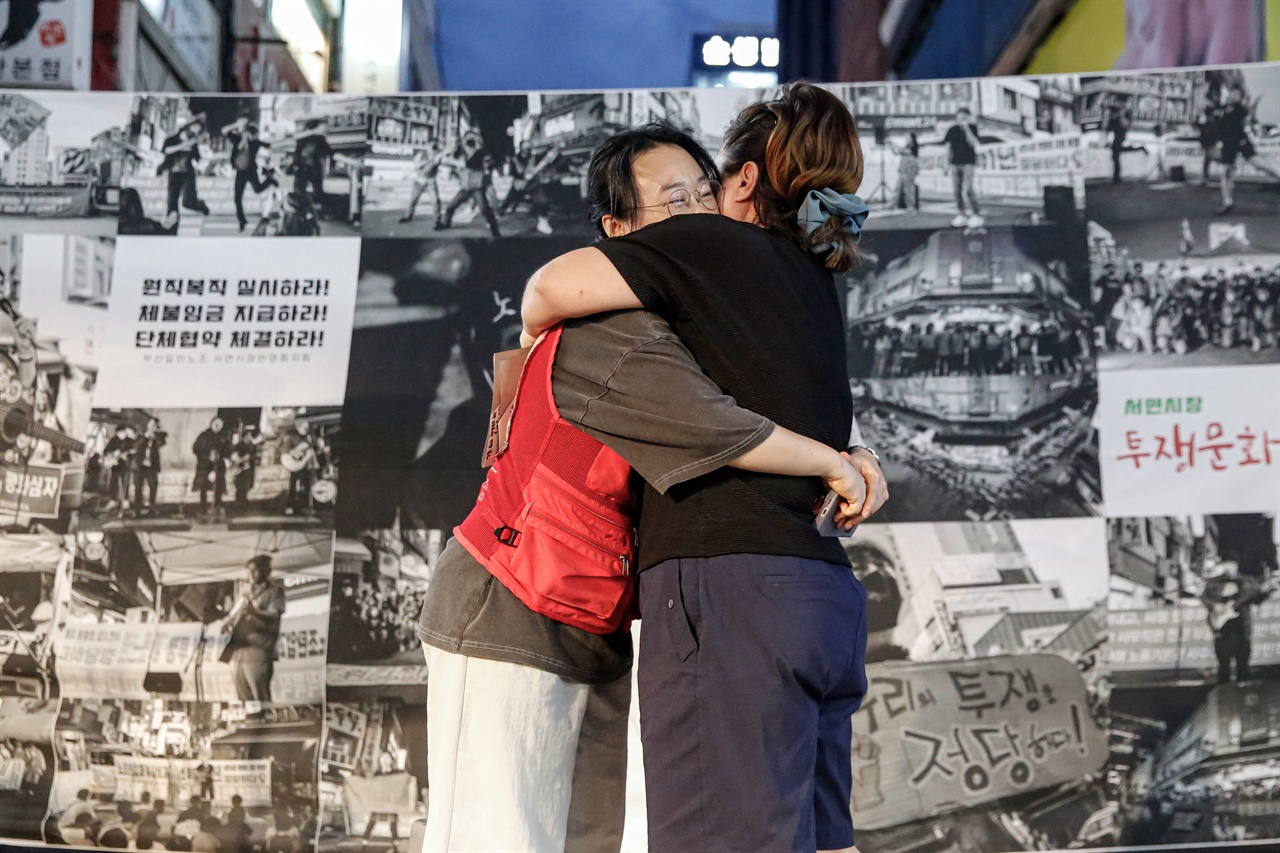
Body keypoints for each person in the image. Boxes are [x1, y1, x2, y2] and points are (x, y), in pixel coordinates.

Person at [418, 121, 885, 852]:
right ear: (619, 229)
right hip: (511, 602)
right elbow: (711, 424)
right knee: (495, 836)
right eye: (674, 201)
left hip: (599, 614)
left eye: (704, 192)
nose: (698, 213)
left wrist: (849, 449)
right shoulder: (611, 322)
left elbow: (766, 396)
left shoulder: (694, 316)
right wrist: (834, 461)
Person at [222, 554, 286, 704]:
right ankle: (249, 720)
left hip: (259, 647)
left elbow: (273, 616)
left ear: (266, 571)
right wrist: (229, 623)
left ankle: (265, 723)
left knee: (259, 691)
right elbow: (235, 614)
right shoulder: (247, 592)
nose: (251, 574)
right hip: (239, 647)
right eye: (249, 570)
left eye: (255, 570)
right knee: (241, 688)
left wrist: (253, 611)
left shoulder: (275, 591)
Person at [1201, 560, 1274, 684]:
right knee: (1223, 667)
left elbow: (1257, 599)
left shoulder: (1248, 581)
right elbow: (1204, 598)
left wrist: (1266, 591)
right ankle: (1223, 697)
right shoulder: (1214, 582)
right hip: (1222, 631)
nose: (1229, 568)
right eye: (1226, 564)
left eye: (1232, 564)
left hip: (1242, 628)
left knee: (1243, 666)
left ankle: (1241, 696)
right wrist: (1214, 606)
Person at [1213, 85, 1280, 215]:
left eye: (1238, 95)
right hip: (1227, 144)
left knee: (1259, 164)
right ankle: (1227, 203)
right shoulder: (1221, 108)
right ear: (1230, 94)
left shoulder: (1240, 109)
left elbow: (1249, 118)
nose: (1235, 96)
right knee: (1226, 172)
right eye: (1234, 93)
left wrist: (1256, 101)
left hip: (1241, 141)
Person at [437, 131, 501, 238]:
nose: (469, 142)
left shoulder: (479, 153)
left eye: (472, 139)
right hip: (466, 188)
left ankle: (495, 231)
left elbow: (467, 164)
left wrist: (449, 160)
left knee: (485, 209)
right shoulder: (462, 154)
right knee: (450, 207)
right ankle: (445, 223)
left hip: (477, 188)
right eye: (467, 139)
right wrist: (448, 152)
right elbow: (448, 158)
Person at [224, 119, 277, 232]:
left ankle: (269, 180)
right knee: (237, 198)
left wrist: (286, 140)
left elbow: (270, 145)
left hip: (251, 171)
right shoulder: (237, 139)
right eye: (253, 135)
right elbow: (224, 131)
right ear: (247, 133)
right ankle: (242, 221)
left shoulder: (255, 143)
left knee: (257, 189)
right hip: (240, 173)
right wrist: (236, 124)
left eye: (255, 136)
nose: (254, 137)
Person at [159, 117, 211, 228]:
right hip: (174, 173)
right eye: (193, 130)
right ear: (186, 128)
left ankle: (201, 206)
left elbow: (198, 159)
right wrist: (182, 146)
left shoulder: (193, 144)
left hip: (188, 174)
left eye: (197, 132)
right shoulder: (171, 139)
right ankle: (172, 230)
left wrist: (207, 160)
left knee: (188, 202)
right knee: (172, 203)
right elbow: (166, 150)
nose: (194, 134)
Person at [942, 107, 983, 228]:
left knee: (968, 189)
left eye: (965, 118)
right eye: (960, 118)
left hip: (969, 162)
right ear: (956, 118)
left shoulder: (973, 128)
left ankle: (976, 214)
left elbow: (974, 143)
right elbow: (948, 148)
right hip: (955, 163)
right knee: (956, 190)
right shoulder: (951, 130)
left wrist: (967, 129)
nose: (962, 120)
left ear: (968, 118)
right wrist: (945, 163)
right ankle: (961, 214)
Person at [399, 142, 449, 227]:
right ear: (428, 147)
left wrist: (438, 158)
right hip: (419, 180)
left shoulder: (438, 155)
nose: (433, 149)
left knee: (435, 200)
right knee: (413, 199)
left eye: (434, 148)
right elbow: (416, 166)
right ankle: (408, 216)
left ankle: (437, 220)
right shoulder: (421, 154)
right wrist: (427, 161)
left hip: (431, 181)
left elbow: (443, 161)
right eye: (431, 147)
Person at [192, 416, 229, 521]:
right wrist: (208, 456)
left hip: (218, 467)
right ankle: (203, 508)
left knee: (218, 487)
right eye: (216, 423)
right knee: (203, 487)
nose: (218, 426)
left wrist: (224, 457)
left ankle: (217, 507)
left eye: (220, 424)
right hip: (204, 466)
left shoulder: (223, 436)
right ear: (212, 423)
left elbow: (228, 450)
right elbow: (195, 449)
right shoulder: (203, 436)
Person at [1104, 98, 1147, 185]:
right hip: (1119, 138)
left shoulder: (1117, 119)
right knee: (1117, 157)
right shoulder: (1119, 119)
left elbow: (1110, 128)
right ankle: (1116, 177)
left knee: (1116, 157)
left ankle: (1116, 178)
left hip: (1118, 139)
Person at [291, 120, 332, 208]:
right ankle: (309, 207)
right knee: (301, 191)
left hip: (311, 168)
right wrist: (315, 131)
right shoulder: (306, 138)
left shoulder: (320, 140)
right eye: (324, 128)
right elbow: (295, 136)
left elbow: (330, 153)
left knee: (315, 191)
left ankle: (314, 206)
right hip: (306, 168)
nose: (325, 130)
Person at [279, 421, 317, 516]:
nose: (306, 428)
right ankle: (290, 507)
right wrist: (294, 452)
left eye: (307, 427)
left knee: (307, 485)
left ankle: (304, 507)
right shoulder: (292, 438)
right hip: (295, 465)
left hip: (307, 465)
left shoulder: (310, 438)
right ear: (299, 427)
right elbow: (284, 450)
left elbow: (314, 448)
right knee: (293, 485)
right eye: (304, 426)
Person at [133, 417, 166, 517]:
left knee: (153, 486)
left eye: (154, 425)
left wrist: (155, 435)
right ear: (147, 425)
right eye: (151, 425)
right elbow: (135, 446)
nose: (152, 427)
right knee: (138, 488)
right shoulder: (140, 434)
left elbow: (161, 443)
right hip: (140, 466)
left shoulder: (157, 437)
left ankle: (152, 507)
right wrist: (145, 437)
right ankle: (137, 510)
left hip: (152, 467)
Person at [893, 133, 920, 215]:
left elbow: (905, 152)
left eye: (908, 137)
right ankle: (892, 205)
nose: (906, 138)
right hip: (903, 170)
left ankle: (911, 208)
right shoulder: (907, 146)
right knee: (898, 188)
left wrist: (894, 144)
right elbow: (898, 152)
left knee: (908, 189)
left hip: (909, 170)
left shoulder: (914, 146)